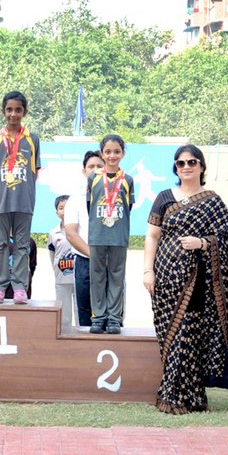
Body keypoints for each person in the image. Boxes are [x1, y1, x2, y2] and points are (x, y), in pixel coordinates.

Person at [143, 145, 228, 413]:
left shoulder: (213, 201)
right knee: (168, 333)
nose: (186, 167)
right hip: (165, 276)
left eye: (192, 162)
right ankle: (178, 392)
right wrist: (148, 271)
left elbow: (225, 238)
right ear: (175, 168)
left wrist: (202, 243)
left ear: (201, 166)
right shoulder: (164, 197)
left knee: (189, 333)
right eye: (181, 163)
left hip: (197, 280)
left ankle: (183, 395)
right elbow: (152, 235)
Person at [0, 90, 41, 304]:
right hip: (1, 201)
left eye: (18, 110)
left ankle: (19, 287)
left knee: (22, 245)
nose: (13, 114)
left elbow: (35, 171)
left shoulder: (32, 140)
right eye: (9, 110)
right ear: (3, 111)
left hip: (24, 202)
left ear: (24, 112)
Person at [87, 134, 134, 335]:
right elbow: (89, 206)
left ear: (123, 153)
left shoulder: (128, 180)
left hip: (118, 236)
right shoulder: (93, 178)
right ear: (102, 153)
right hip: (97, 235)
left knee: (117, 276)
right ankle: (98, 317)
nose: (112, 155)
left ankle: (114, 318)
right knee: (97, 276)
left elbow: (128, 208)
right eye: (108, 152)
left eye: (116, 152)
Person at [65, 151, 104, 327]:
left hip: (109, 260)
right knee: (85, 312)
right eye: (91, 166)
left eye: (100, 166)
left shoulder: (115, 197)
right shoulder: (75, 199)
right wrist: (93, 255)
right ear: (84, 171)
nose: (95, 170)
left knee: (112, 313)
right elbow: (71, 233)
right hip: (84, 261)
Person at [48, 195, 76, 329]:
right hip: (62, 279)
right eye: (61, 208)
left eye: (68, 207)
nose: (64, 211)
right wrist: (57, 272)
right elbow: (52, 255)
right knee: (64, 313)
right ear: (56, 212)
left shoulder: (81, 230)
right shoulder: (54, 233)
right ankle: (65, 333)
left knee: (81, 310)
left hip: (80, 277)